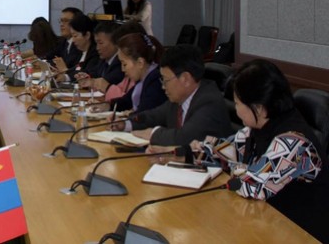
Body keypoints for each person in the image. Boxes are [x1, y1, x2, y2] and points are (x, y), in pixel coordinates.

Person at [189, 60, 328, 242]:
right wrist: (199, 150)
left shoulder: (294, 143)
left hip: (301, 234)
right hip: (270, 223)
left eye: (238, 103)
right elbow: (228, 151)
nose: (236, 109)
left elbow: (251, 186)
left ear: (258, 108)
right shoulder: (258, 128)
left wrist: (234, 168)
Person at [126, 44, 233, 146]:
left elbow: (184, 138)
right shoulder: (179, 99)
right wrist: (126, 124)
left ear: (185, 79)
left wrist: (153, 134)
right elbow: (152, 116)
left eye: (166, 80)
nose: (163, 86)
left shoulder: (209, 102)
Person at [110, 33, 166, 114]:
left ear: (140, 63)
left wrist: (131, 115)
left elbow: (145, 114)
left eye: (124, 64)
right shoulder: (142, 80)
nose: (122, 69)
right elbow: (125, 101)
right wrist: (107, 105)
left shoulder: (155, 82)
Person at [77, 21, 124, 92]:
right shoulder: (103, 61)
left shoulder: (120, 62)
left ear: (115, 42)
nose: (97, 48)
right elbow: (94, 73)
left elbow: (107, 81)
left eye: (101, 43)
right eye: (96, 43)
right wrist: (85, 77)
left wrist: (92, 82)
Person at [53, 14, 98, 83]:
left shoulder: (95, 53)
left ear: (87, 35)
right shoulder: (80, 52)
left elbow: (86, 72)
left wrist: (66, 76)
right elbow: (76, 69)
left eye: (75, 36)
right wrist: (63, 72)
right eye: (72, 36)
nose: (73, 40)